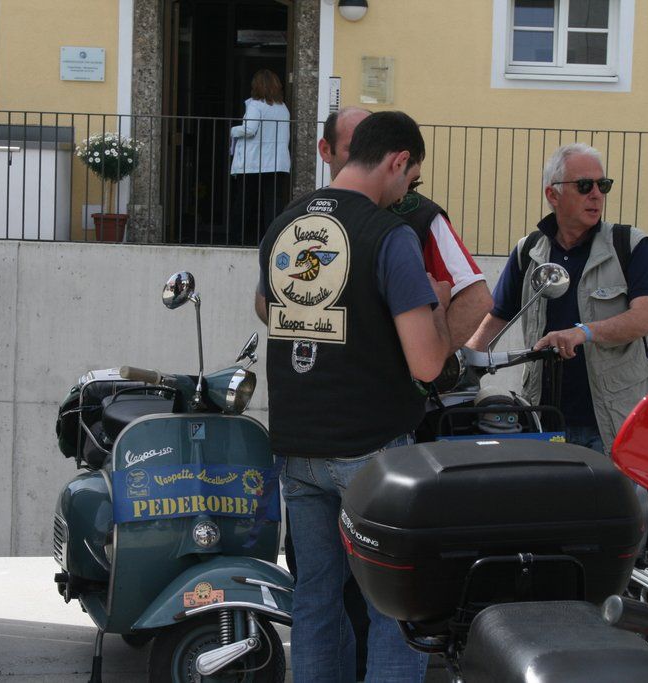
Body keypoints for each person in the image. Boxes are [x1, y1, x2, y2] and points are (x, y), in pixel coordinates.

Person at [256, 111, 447, 682]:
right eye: (411, 178)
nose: (408, 192)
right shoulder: (389, 234)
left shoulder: (285, 223)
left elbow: (266, 307)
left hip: (298, 446)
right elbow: (428, 363)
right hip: (372, 449)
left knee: (316, 596)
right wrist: (436, 306)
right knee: (395, 603)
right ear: (397, 160)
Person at [467, 142, 648, 455]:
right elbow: (497, 317)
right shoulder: (528, 251)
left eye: (602, 185)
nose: (596, 194)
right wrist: (462, 369)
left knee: (618, 492)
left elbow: (645, 319)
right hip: (546, 420)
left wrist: (582, 332)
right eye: (584, 185)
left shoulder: (629, 244)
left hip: (617, 422)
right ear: (553, 194)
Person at [319, 107, 493, 350]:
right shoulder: (307, 212)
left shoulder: (418, 214)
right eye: (353, 148)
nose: (365, 156)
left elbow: (476, 300)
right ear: (326, 150)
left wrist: (423, 360)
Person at [230, 68, 291, 244]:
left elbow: (249, 129)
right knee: (273, 203)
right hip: (277, 162)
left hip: (253, 162)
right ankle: (273, 240)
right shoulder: (282, 108)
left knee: (244, 201)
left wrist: (233, 130)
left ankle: (236, 240)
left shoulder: (255, 105)